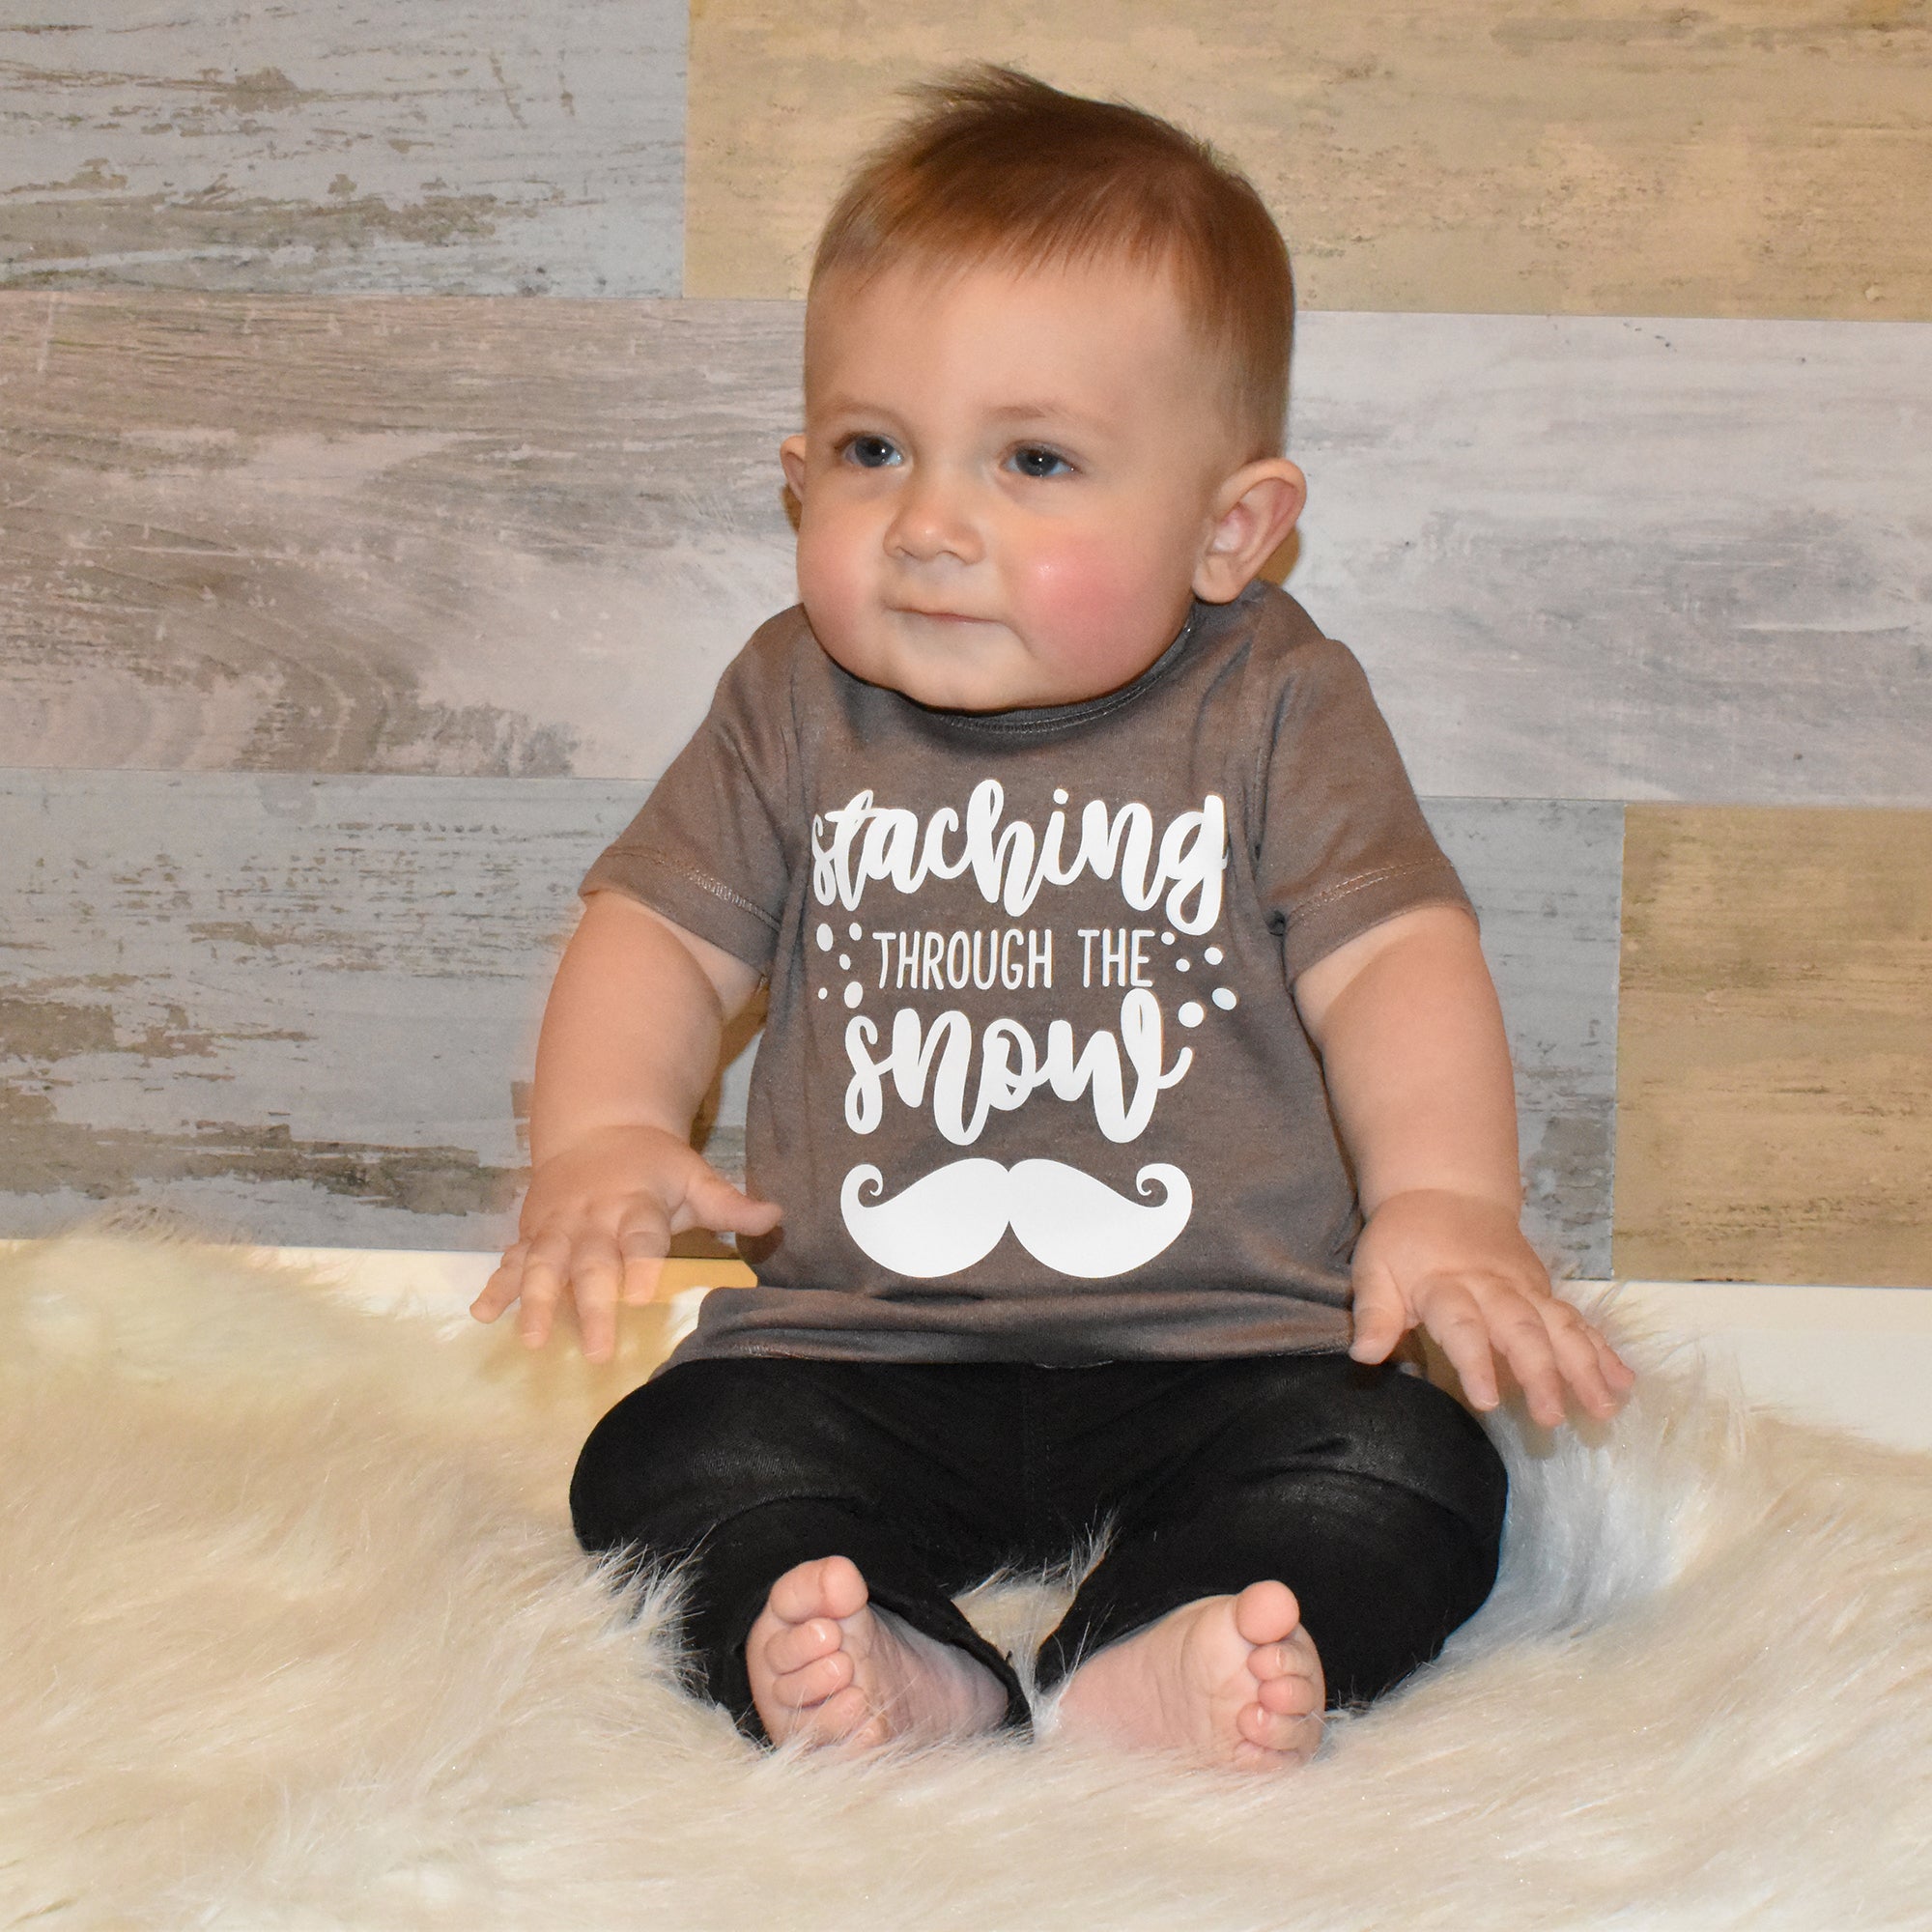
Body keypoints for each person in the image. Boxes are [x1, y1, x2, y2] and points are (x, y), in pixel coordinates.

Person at [470, 66, 1634, 1771]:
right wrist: (604, 1132)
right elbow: (660, 932)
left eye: (1033, 460)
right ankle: (884, 1656)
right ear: (798, 477)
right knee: (665, 1464)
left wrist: (1447, 1200)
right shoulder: (791, 703)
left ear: (1230, 530)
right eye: (874, 450)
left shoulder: (1277, 704)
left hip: (1228, 1360)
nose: (931, 525)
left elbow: (1392, 954)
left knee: (1409, 1469)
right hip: (854, 1362)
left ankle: (1166, 1644)